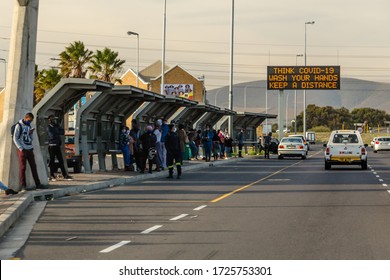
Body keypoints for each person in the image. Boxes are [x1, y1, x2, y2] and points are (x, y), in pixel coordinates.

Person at [13, 112, 47, 190]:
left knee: (33, 167)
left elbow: (30, 139)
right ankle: (23, 186)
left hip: (29, 148)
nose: (29, 122)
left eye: (31, 121)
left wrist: (31, 133)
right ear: (25, 118)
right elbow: (15, 138)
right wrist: (20, 148)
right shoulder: (19, 125)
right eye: (29, 120)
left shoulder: (29, 126)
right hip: (23, 149)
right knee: (23, 168)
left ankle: (38, 184)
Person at [47, 115, 73, 181]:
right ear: (49, 120)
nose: (53, 121)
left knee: (61, 161)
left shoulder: (56, 126)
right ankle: (52, 175)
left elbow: (62, 132)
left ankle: (65, 175)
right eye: (52, 119)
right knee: (52, 161)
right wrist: (57, 131)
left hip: (57, 145)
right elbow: (52, 136)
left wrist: (57, 130)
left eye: (54, 119)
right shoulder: (49, 127)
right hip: (52, 145)